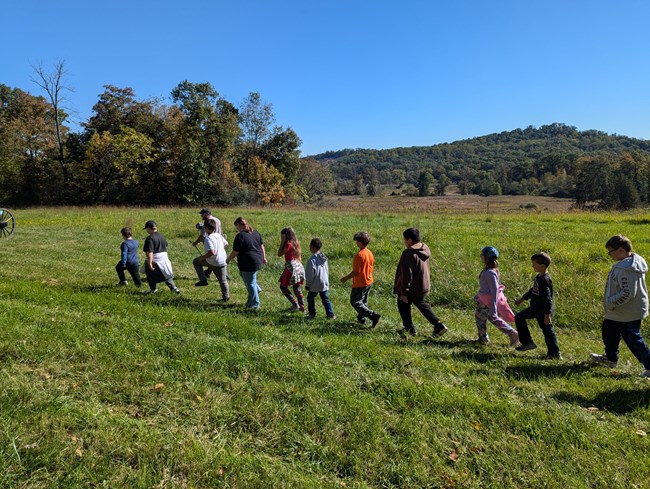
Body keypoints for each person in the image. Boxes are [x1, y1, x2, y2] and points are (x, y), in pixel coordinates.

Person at [590, 235, 650, 377]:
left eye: (610, 251)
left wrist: (611, 301)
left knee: (632, 338)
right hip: (618, 312)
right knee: (609, 331)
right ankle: (611, 359)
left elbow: (628, 293)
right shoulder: (627, 263)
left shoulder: (627, 268)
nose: (609, 255)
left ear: (621, 250)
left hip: (628, 311)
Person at [393, 228, 448, 337]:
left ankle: (411, 327)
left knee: (403, 302)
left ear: (409, 240)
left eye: (404, 239)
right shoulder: (424, 247)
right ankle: (436, 325)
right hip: (423, 284)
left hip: (413, 287)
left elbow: (406, 274)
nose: (404, 242)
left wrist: (404, 291)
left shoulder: (408, 253)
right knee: (421, 305)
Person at [514, 252, 561, 359]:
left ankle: (528, 343)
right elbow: (533, 290)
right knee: (547, 331)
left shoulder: (544, 280)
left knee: (520, 317)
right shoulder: (539, 277)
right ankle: (554, 353)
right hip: (538, 308)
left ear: (542, 266)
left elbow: (547, 299)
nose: (532, 266)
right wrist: (522, 299)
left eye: (534, 264)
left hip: (541, 309)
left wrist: (547, 314)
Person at [474, 246, 520, 347]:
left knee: (492, 318)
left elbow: (494, 290)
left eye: (482, 255)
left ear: (487, 257)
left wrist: (493, 307)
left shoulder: (490, 273)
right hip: (484, 300)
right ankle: (483, 339)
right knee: (480, 317)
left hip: (488, 302)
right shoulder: (488, 270)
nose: (480, 256)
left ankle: (513, 334)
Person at [340, 231, 381, 327]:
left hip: (360, 282)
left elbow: (356, 271)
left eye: (357, 241)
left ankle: (373, 315)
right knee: (363, 301)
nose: (356, 243)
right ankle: (361, 319)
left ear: (360, 242)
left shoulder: (359, 255)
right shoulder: (369, 253)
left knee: (355, 302)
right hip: (369, 281)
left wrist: (345, 278)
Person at [226, 217, 267, 309]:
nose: (236, 229)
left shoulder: (240, 236)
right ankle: (257, 290)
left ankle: (254, 304)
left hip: (248, 261)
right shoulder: (255, 233)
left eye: (236, 227)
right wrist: (264, 257)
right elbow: (262, 246)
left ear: (239, 225)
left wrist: (228, 260)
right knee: (245, 275)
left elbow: (235, 251)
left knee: (250, 283)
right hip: (257, 260)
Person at [193, 220, 229, 302]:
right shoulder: (218, 235)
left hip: (213, 262)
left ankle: (203, 280)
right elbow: (226, 244)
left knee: (196, 261)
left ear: (206, 228)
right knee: (223, 281)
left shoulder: (208, 239)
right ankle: (226, 297)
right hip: (223, 260)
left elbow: (212, 252)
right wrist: (220, 250)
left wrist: (202, 257)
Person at [142, 220, 180, 294]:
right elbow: (166, 245)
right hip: (165, 259)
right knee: (166, 274)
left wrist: (150, 263)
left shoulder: (149, 238)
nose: (146, 230)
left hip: (155, 260)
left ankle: (153, 290)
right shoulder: (161, 236)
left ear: (149, 228)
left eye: (146, 229)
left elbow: (150, 252)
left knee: (150, 275)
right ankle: (174, 288)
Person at [305, 238, 336, 320]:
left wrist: (308, 285)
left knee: (310, 298)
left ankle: (312, 314)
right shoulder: (324, 257)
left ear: (312, 247)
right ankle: (331, 314)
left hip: (315, 282)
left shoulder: (312, 260)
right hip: (324, 281)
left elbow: (310, 274)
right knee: (325, 298)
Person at [277, 227, 306, 312]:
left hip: (290, 267)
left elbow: (279, 254)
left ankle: (295, 304)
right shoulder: (296, 243)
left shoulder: (287, 244)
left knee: (283, 286)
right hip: (298, 266)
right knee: (296, 287)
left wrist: (282, 242)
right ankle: (302, 306)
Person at [191, 208, 224, 278]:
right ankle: (208, 272)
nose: (201, 216)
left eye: (202, 214)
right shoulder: (217, 220)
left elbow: (202, 235)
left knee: (211, 259)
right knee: (215, 258)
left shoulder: (207, 222)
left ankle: (222, 276)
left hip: (211, 242)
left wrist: (196, 242)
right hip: (219, 241)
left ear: (206, 214)